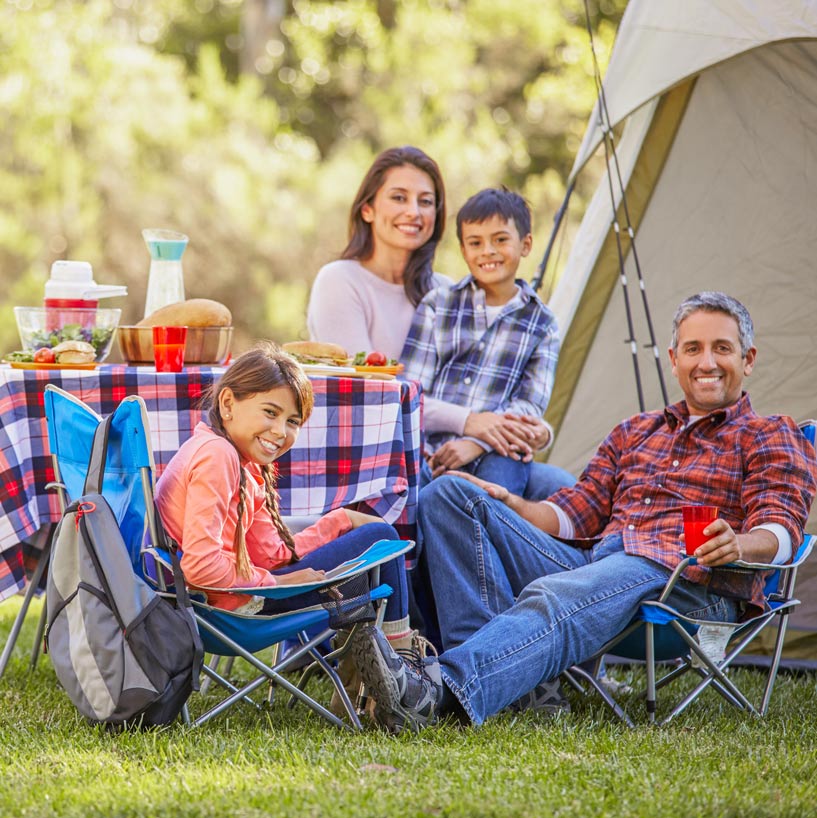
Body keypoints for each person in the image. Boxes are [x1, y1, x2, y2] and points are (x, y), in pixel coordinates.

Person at [349, 291, 817, 733]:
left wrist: (739, 543)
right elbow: (575, 514)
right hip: (600, 561)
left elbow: (782, 528)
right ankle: (514, 687)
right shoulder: (635, 431)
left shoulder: (770, 433)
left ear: (747, 360)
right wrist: (510, 504)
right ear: (674, 360)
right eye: (693, 348)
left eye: (723, 349)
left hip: (685, 581)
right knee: (449, 494)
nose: (707, 362)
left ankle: (435, 691)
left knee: (558, 593)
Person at [306, 145, 574, 499]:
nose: (413, 212)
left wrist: (539, 431)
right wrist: (470, 422)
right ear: (368, 209)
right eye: (399, 197)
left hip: (465, 449)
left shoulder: (448, 293)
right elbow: (374, 396)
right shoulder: (341, 281)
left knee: (565, 491)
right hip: (374, 451)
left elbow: (503, 385)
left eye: (426, 201)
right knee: (470, 500)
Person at [154, 342, 420, 667]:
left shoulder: (236, 458)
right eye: (270, 412)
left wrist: (339, 521)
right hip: (237, 610)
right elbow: (201, 567)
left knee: (368, 536)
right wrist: (276, 583)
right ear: (227, 403)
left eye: (293, 421)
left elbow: (272, 555)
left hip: (226, 602)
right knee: (381, 536)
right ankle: (401, 666)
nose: (280, 432)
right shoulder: (217, 457)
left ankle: (376, 667)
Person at [401, 187, 560, 496]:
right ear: (463, 250)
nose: (487, 251)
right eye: (475, 243)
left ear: (526, 244)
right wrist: (463, 428)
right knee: (418, 490)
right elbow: (411, 393)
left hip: (497, 452)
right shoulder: (439, 304)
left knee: (499, 485)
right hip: (429, 449)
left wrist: (475, 443)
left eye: (500, 239)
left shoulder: (542, 324)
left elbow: (528, 408)